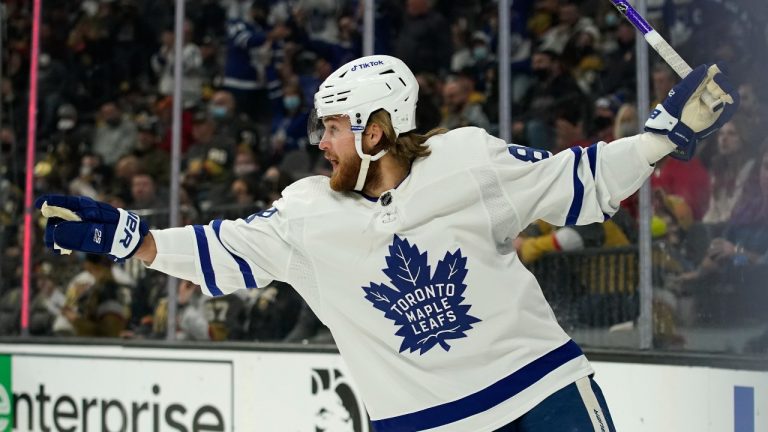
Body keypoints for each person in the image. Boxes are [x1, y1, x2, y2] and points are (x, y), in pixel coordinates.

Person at [36, 55, 737, 431]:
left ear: (376, 130)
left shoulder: (468, 161)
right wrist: (132, 239)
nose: (320, 142)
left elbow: (576, 181)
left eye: (333, 128)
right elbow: (224, 250)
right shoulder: (307, 215)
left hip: (542, 392)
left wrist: (662, 135)